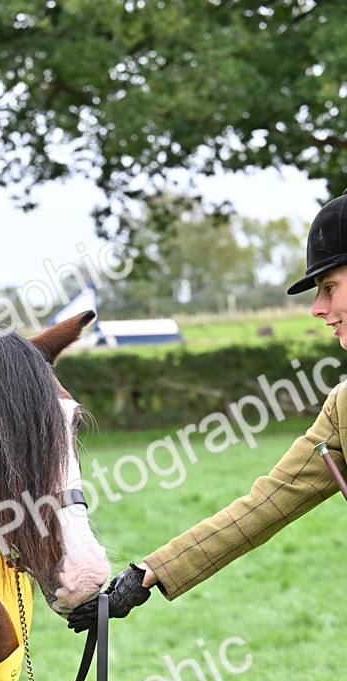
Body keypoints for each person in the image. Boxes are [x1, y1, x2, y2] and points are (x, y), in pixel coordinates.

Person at [68, 190, 347, 630]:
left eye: (329, 287)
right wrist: (147, 574)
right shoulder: (343, 409)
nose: (317, 309)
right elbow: (265, 504)